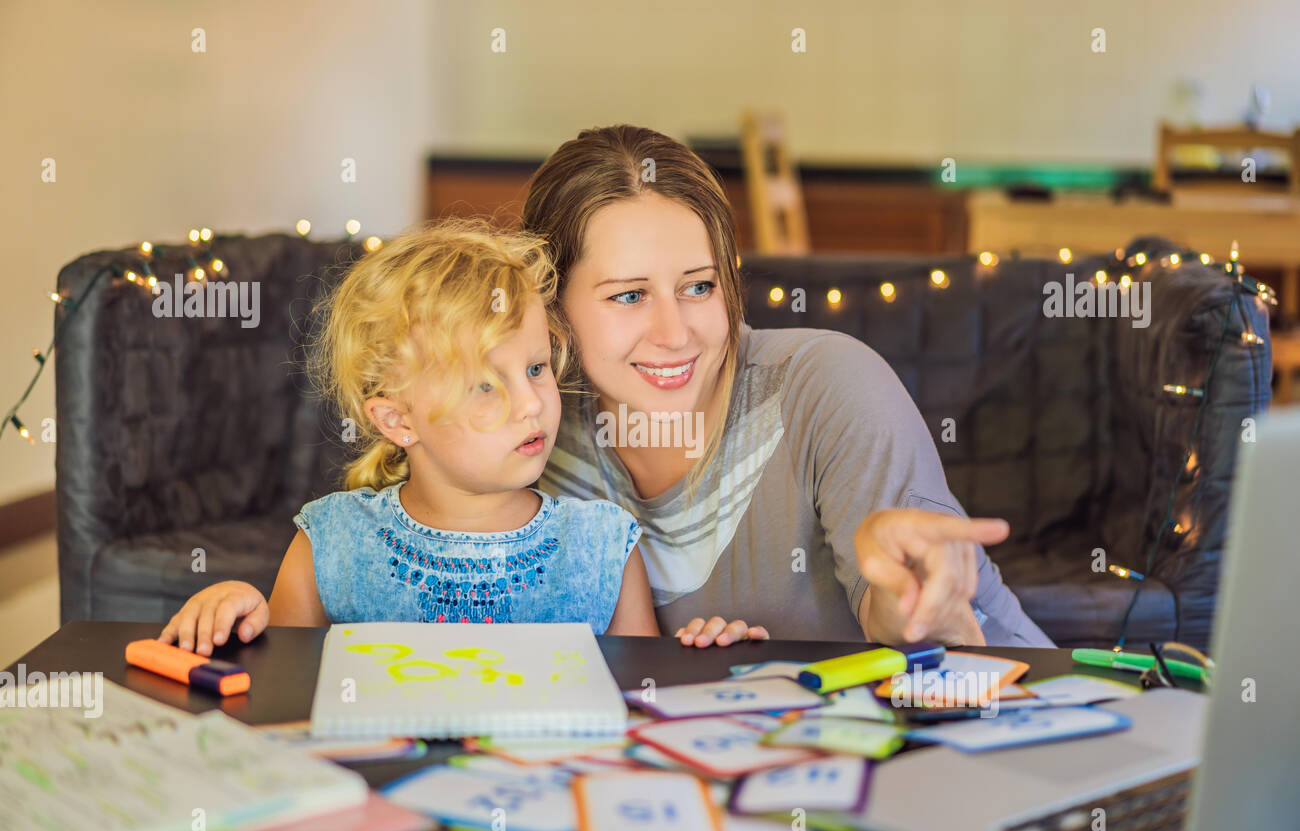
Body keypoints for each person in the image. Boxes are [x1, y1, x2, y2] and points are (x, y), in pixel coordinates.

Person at [523, 125, 1055, 649]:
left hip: (1025, 713)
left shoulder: (827, 385)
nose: (676, 332)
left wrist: (909, 595)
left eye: (700, 286)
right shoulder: (534, 424)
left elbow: (926, 639)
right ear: (550, 303)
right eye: (629, 296)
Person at [157, 221, 767, 655]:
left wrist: (704, 662)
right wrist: (240, 617)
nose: (531, 403)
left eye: (534, 369)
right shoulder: (328, 545)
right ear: (397, 420)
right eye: (484, 386)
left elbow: (641, 708)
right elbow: (287, 699)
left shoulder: (604, 549)